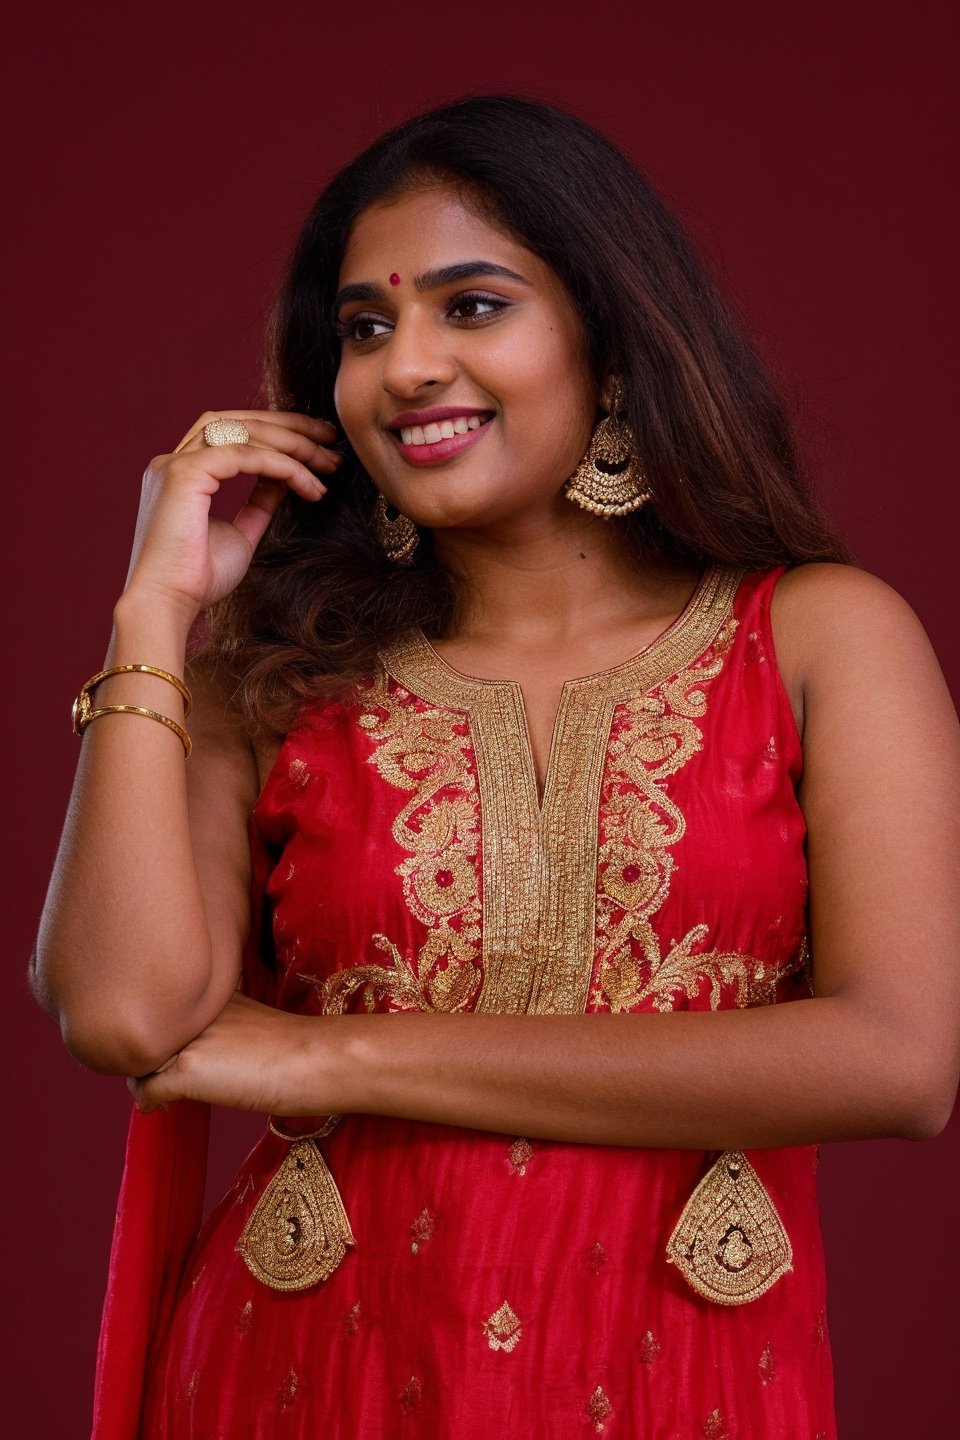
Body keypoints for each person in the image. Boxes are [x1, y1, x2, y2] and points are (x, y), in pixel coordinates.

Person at [32, 94, 959, 1439]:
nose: (404, 366)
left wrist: (327, 1059)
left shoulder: (818, 636)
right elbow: (123, 1015)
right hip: (307, 1374)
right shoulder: (281, 662)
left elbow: (897, 1059)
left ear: (611, 342)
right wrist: (151, 615)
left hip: (676, 1380)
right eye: (364, 327)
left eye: (470, 307)